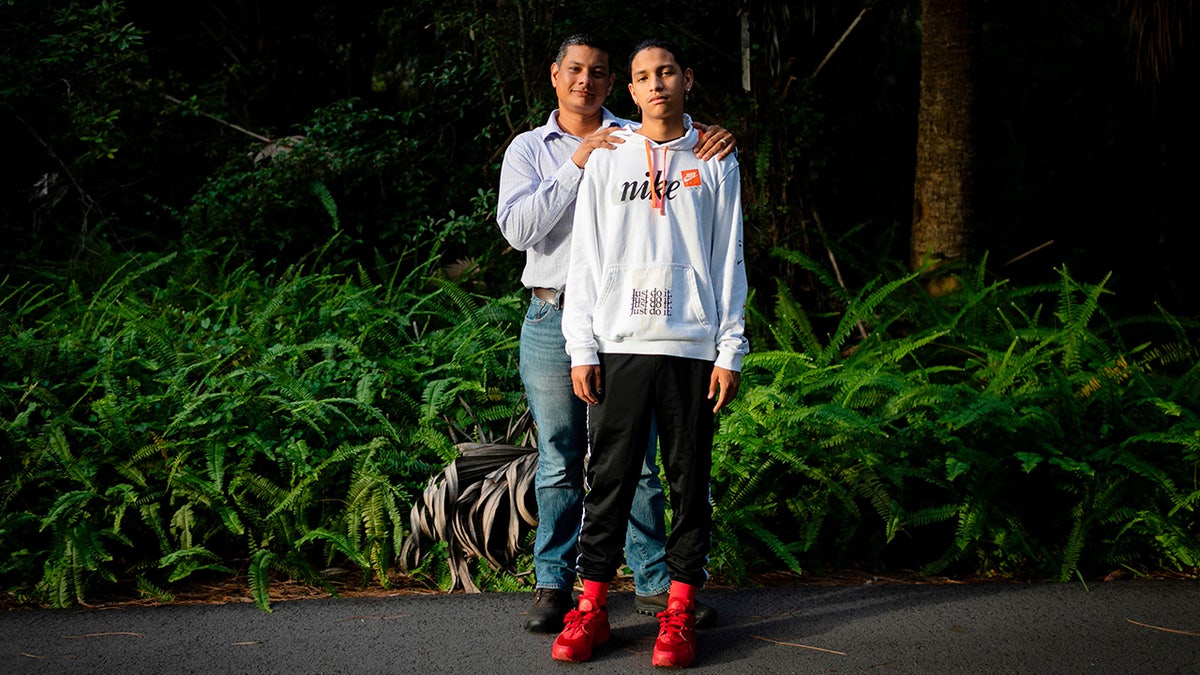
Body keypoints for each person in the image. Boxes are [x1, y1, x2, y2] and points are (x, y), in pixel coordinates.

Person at [496, 33, 734, 634]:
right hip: (557, 318)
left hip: (635, 326)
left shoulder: (630, 137)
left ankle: (655, 584)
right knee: (561, 457)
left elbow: (672, 132)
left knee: (640, 467)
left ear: (614, 83)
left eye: (599, 71)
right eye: (575, 69)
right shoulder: (531, 148)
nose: (586, 80)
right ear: (555, 75)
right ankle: (555, 585)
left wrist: (713, 137)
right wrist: (578, 162)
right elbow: (519, 230)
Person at [553, 38, 748, 668]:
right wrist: (581, 347)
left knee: (689, 484)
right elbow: (585, 258)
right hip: (621, 344)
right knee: (607, 482)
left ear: (686, 79)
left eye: (665, 72)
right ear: (629, 91)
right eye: (641, 76)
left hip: (691, 345)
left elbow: (729, 256)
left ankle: (678, 613)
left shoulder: (714, 157)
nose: (655, 84)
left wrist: (730, 349)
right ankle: (590, 611)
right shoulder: (609, 158)